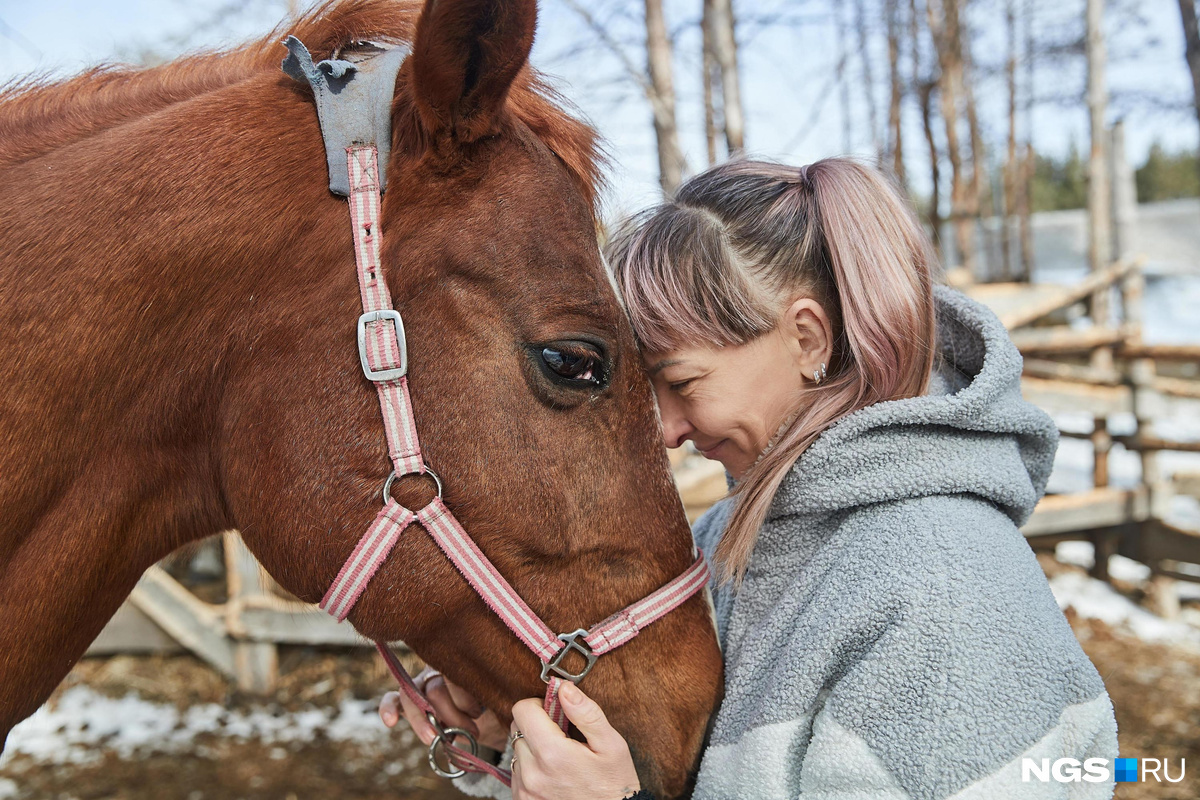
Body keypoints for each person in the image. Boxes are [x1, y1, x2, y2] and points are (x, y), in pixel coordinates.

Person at [379, 157, 1119, 800]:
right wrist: (514, 743)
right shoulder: (727, 543)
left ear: (807, 339)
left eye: (682, 381)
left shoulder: (949, 595)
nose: (665, 431)